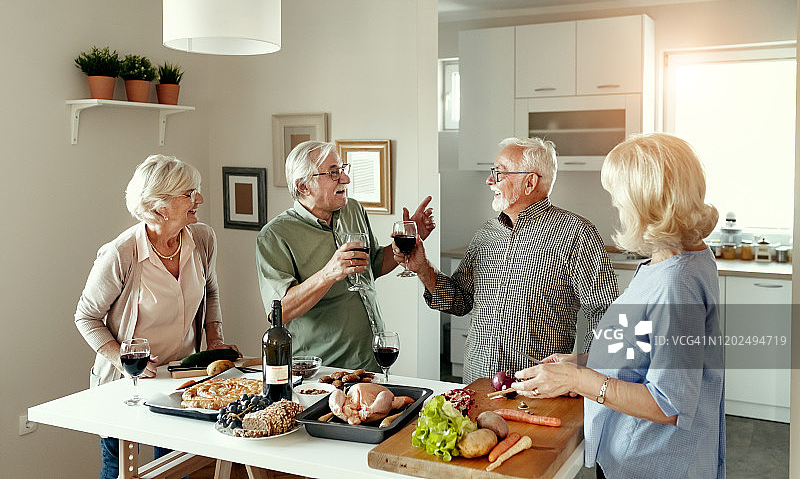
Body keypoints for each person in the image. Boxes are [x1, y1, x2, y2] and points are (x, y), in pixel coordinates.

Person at [512, 133, 725, 479]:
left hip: (653, 463)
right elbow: (646, 346)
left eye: (619, 199)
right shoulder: (675, 255)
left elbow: (667, 403)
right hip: (632, 453)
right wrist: (584, 361)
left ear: (648, 201)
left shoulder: (677, 283)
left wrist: (579, 379)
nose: (618, 208)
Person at [394, 137, 617, 384]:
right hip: (476, 383)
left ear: (530, 182)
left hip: (537, 387)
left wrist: (586, 375)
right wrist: (422, 268)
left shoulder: (576, 233)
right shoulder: (485, 234)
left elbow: (605, 312)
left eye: (499, 173)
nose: (489, 180)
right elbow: (460, 301)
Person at [75, 154, 240, 479]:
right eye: (190, 193)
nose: (200, 200)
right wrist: (121, 358)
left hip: (179, 377)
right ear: (160, 206)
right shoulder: (121, 253)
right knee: (120, 468)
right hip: (128, 383)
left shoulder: (203, 239)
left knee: (177, 466)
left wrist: (216, 343)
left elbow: (211, 293)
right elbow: (86, 317)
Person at [256, 140, 435, 371]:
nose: (345, 179)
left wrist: (409, 240)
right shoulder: (274, 235)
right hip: (323, 371)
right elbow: (280, 311)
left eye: (342, 169)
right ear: (303, 186)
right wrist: (329, 274)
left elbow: (374, 265)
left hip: (370, 362)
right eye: (333, 173)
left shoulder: (353, 209)